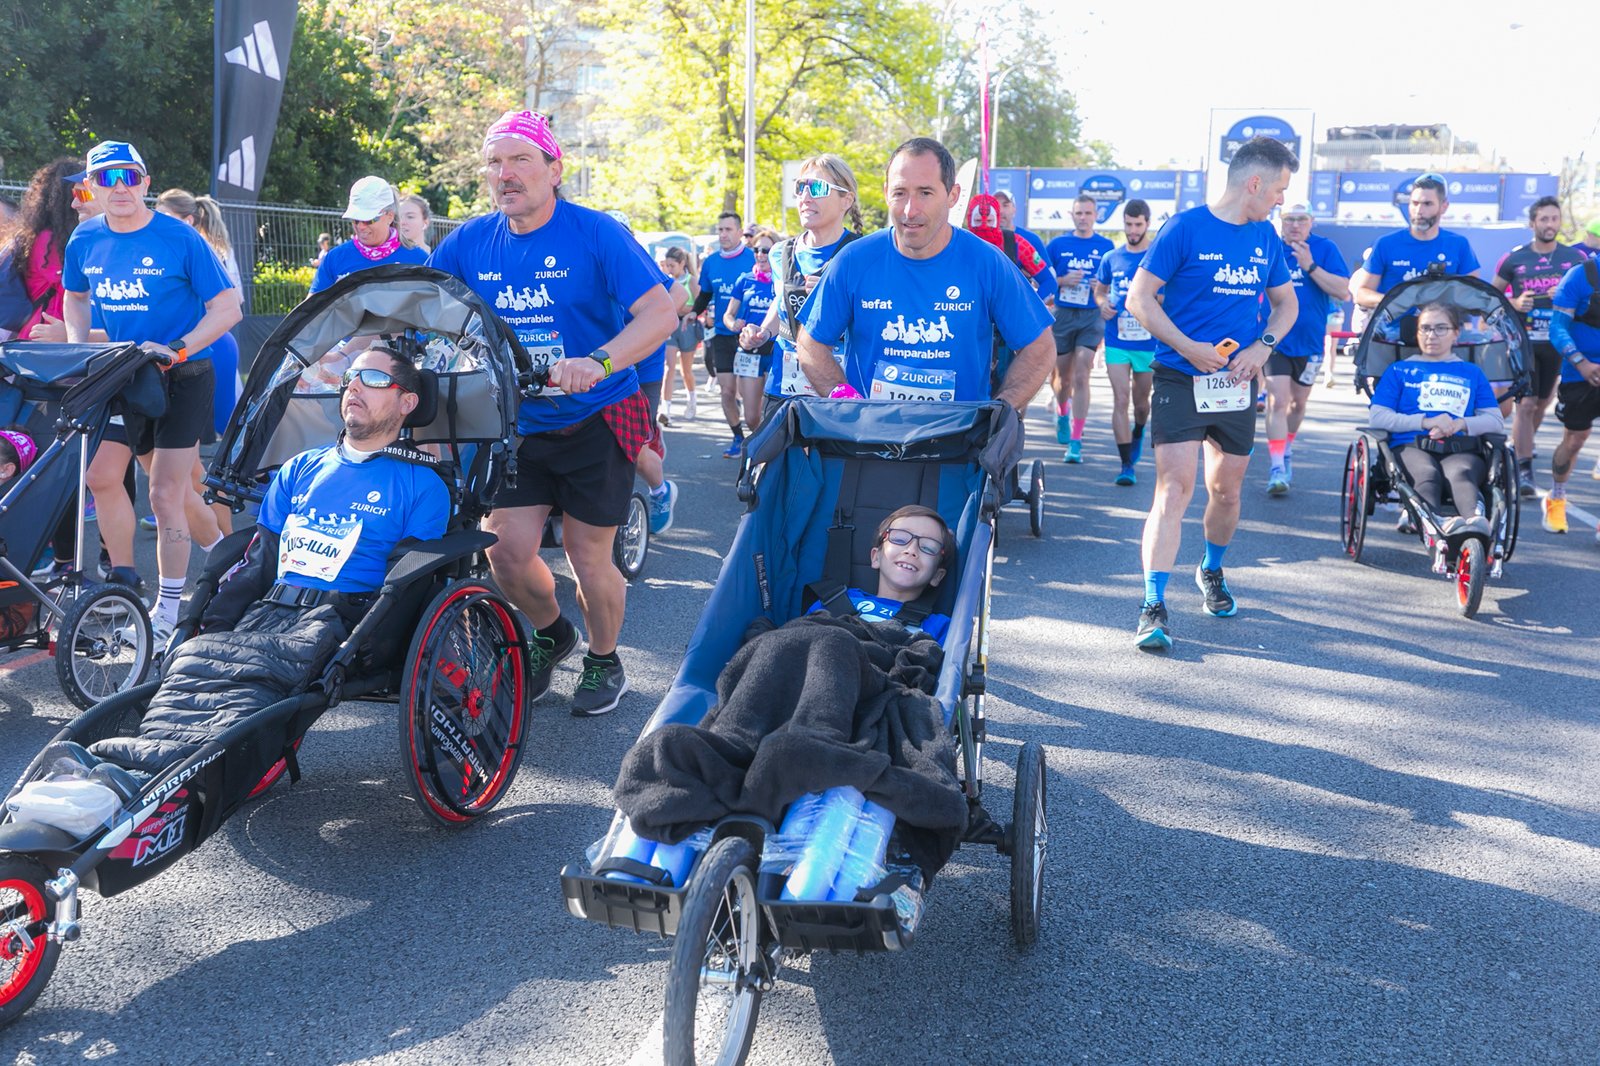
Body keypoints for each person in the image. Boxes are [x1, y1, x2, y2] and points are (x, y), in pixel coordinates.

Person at [427, 109, 676, 716]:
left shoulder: (596, 233)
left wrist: (598, 360)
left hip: (596, 417)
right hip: (517, 425)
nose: (505, 174)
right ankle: (550, 633)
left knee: (590, 555)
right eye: (494, 163)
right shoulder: (467, 241)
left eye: (520, 160)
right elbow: (421, 311)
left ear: (553, 170)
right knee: (505, 553)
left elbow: (661, 315)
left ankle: (603, 657)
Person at [61, 141, 243, 642]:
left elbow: (228, 309)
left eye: (128, 177)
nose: (118, 188)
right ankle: (132, 580)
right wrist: (79, 349)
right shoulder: (84, 239)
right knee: (103, 476)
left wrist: (178, 349)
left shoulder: (178, 237)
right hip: (125, 374)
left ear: (144, 182)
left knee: (166, 492)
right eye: (106, 178)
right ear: (91, 188)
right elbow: (74, 297)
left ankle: (169, 613)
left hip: (185, 375)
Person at [1124, 136, 1297, 651]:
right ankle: (1153, 605)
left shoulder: (1266, 237)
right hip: (1180, 375)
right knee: (1173, 489)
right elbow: (1139, 300)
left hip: (1236, 382)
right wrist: (1188, 347)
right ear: (1255, 183)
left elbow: (1285, 307)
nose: (1282, 200)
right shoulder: (1185, 228)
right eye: (1280, 189)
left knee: (1225, 491)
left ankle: (1211, 570)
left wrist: (1263, 349)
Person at [794, 137, 1055, 410]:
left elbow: (1040, 347)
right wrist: (845, 402)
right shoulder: (854, 260)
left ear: (953, 195)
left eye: (925, 193)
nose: (910, 209)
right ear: (886, 193)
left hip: (956, 444)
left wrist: (999, 412)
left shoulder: (986, 262)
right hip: (867, 442)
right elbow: (811, 343)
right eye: (899, 193)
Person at [1367, 301, 1503, 536]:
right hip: (1411, 445)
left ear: (1456, 333)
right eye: (1425, 328)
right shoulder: (1398, 370)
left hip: (1461, 447)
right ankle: (1435, 525)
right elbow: (1378, 416)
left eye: (1441, 328)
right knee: (1426, 474)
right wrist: (1425, 422)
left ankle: (1475, 521)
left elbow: (1495, 420)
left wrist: (1460, 424)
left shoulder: (1472, 372)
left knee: (1459, 474)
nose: (1432, 335)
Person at [743, 154, 863, 404]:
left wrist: (834, 298)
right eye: (801, 187)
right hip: (783, 388)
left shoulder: (861, 254)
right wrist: (763, 333)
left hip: (839, 391)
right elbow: (781, 304)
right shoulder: (780, 252)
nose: (806, 197)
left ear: (846, 200)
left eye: (818, 188)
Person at [1489, 196, 1587, 497]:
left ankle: (1521, 446)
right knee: (1526, 404)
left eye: (1554, 219)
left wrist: (1567, 297)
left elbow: (1588, 302)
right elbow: (1491, 297)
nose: (1549, 225)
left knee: (1541, 405)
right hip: (1525, 342)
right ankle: (1524, 467)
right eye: (1543, 219)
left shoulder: (1575, 259)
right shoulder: (1515, 259)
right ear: (1533, 223)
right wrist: (1515, 302)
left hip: (1557, 343)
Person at [1264, 203, 1350, 495]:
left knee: (1298, 404)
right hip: (1274, 339)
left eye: (1301, 220)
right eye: (1289, 219)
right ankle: (1277, 466)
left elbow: (1342, 290)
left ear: (1311, 222)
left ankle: (1286, 447)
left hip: (1310, 341)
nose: (1295, 225)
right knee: (1277, 401)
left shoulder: (1325, 248)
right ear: (1281, 221)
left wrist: (1310, 266)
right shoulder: (1270, 246)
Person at [806, 504, 952, 643]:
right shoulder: (834, 601)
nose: (912, 550)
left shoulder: (940, 627)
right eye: (900, 539)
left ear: (937, 576)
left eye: (928, 547)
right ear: (876, 557)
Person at [1044, 195, 1114, 460]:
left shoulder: (1106, 246)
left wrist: (1101, 288)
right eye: (1078, 213)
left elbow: (1113, 284)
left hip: (1091, 316)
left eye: (1088, 213)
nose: (1083, 217)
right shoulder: (1059, 244)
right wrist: (1063, 280)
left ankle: (1076, 439)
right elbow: (1045, 282)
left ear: (1096, 215)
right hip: (1062, 315)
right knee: (1063, 379)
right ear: (1071, 215)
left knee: (1082, 372)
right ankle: (1063, 412)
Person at [963, 191, 1053, 395]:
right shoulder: (954, 242)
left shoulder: (1017, 243)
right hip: (965, 333)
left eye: (988, 220)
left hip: (1006, 336)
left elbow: (1048, 281)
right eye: (977, 220)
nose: (983, 226)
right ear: (969, 218)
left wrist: (1026, 308)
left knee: (1011, 395)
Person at [1092, 198, 1156, 486]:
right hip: (1117, 339)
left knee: (1141, 404)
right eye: (1128, 225)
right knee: (1121, 399)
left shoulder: (1156, 258)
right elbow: (1100, 291)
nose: (1132, 230)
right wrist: (1102, 304)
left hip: (1147, 343)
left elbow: (1167, 297)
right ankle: (1126, 463)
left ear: (1147, 224)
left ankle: (1139, 430)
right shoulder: (1112, 258)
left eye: (1137, 225)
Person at [1351, 173, 1480, 312]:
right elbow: (1361, 294)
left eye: (1427, 204)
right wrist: (1393, 300)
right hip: (1393, 332)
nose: (1419, 211)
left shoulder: (1459, 245)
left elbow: (1473, 295)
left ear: (1444, 206)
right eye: (1415, 203)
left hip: (1441, 330)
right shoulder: (1385, 244)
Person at [1542, 258, 1600, 537]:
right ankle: (1556, 498)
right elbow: (1557, 328)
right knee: (1575, 440)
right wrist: (1581, 363)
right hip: (1580, 373)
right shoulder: (1581, 275)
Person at [693, 212, 756, 458]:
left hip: (750, 337)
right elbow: (705, 294)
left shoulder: (754, 258)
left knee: (750, 395)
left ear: (740, 232)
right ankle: (737, 437)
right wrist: (693, 313)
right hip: (721, 334)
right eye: (720, 230)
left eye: (728, 229)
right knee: (727, 391)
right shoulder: (710, 262)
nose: (723, 234)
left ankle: (758, 437)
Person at [310, 177, 428, 293]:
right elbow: (312, 308)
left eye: (369, 220)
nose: (361, 226)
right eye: (355, 219)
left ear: (390, 216)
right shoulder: (335, 258)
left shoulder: (419, 260)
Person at [723, 234, 776, 435]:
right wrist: (733, 323)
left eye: (766, 251)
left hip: (774, 350)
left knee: (772, 411)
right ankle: (760, 444)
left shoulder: (782, 282)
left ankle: (768, 456)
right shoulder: (744, 280)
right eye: (757, 250)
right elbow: (728, 315)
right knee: (752, 416)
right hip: (749, 351)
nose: (761, 255)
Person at [657, 246, 701, 424]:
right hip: (671, 328)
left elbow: (698, 307)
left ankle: (692, 399)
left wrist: (684, 308)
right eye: (666, 265)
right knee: (669, 368)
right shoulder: (666, 282)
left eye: (672, 265)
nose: (669, 269)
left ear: (682, 263)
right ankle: (665, 409)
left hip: (687, 328)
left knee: (686, 371)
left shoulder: (691, 281)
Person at [995, 190, 1049, 291]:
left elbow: (1049, 279)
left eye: (1005, 205)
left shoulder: (1031, 239)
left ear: (1014, 209)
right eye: (996, 205)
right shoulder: (981, 239)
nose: (1000, 210)